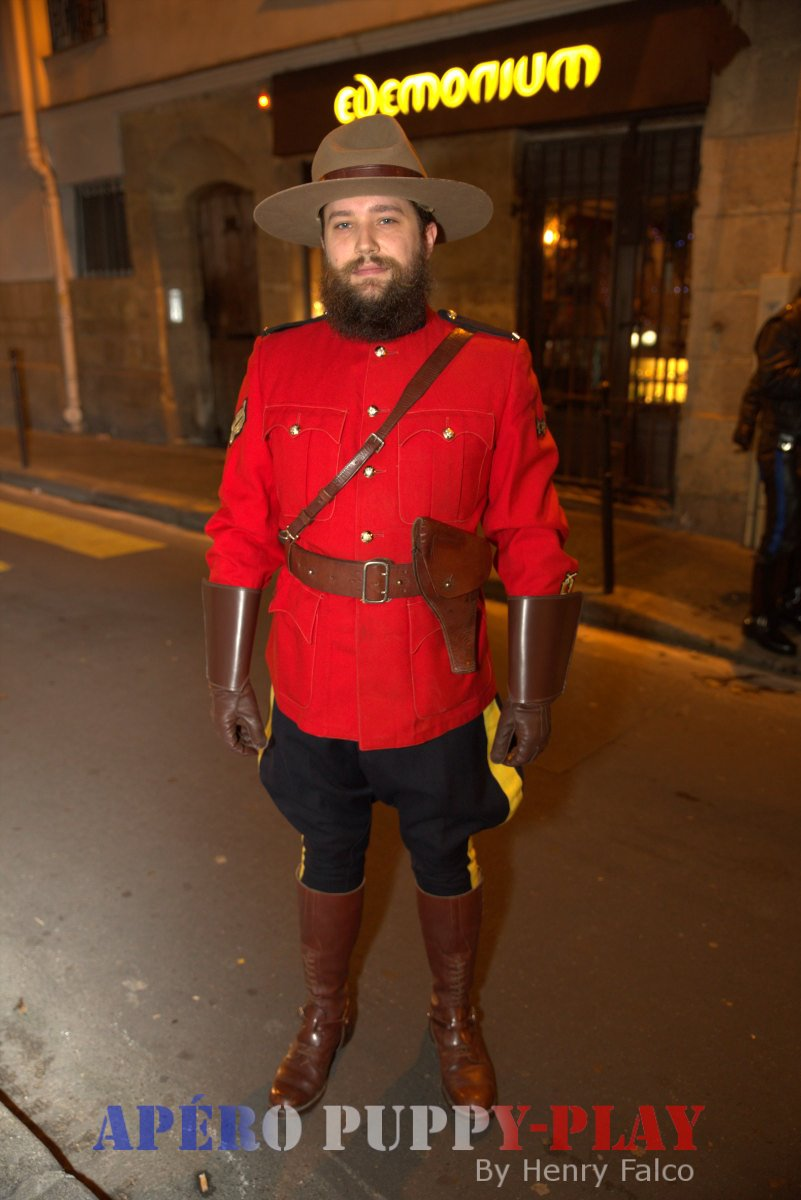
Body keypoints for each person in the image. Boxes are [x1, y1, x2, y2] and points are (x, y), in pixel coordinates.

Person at [202, 114, 581, 1114]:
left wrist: (532, 693)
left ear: (427, 233)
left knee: (447, 855)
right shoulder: (275, 363)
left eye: (386, 219)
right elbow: (241, 527)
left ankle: (454, 1017)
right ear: (321, 244)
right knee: (325, 851)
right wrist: (228, 676)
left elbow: (533, 534)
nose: (364, 242)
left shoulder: (494, 366)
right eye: (342, 224)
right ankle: (325, 1013)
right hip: (312, 678)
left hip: (438, 681)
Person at [734, 288, 801, 656]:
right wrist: (746, 427)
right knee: (780, 531)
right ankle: (760, 616)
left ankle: (787, 602)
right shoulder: (783, 327)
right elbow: (769, 380)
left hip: (794, 444)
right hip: (782, 445)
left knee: (795, 530)